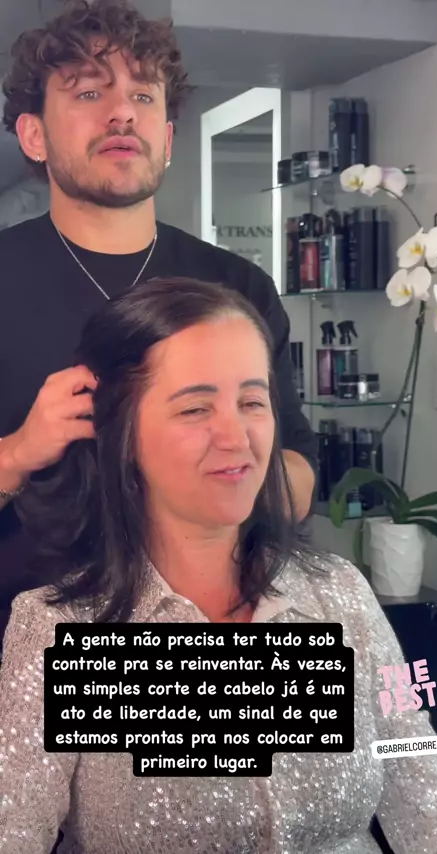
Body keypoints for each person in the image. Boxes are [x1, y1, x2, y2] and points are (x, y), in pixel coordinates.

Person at [1, 276, 437, 854]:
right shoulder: (59, 632)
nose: (236, 437)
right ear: (122, 436)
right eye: (195, 408)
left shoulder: (339, 594)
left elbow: (431, 801)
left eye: (252, 402)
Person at [0, 0, 316, 615]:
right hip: (24, 642)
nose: (122, 112)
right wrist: (18, 452)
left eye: (144, 96)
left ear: (166, 139)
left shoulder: (239, 287)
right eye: (89, 93)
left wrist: (223, 466)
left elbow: (300, 473)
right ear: (34, 135)